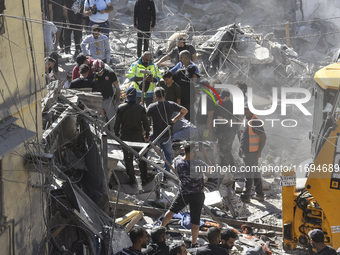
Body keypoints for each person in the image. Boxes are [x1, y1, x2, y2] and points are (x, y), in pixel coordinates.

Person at [162, 142, 211, 247]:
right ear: (194, 151)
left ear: (184, 150)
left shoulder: (178, 161)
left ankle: (160, 231)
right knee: (195, 221)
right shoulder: (199, 164)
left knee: (171, 211)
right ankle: (193, 243)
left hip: (184, 193)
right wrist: (205, 155)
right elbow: (210, 170)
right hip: (197, 195)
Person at [114, 87, 151, 186]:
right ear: (135, 96)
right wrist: (147, 134)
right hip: (138, 137)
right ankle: (144, 179)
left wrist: (117, 134)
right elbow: (146, 124)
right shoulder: (140, 108)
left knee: (128, 159)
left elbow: (116, 125)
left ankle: (132, 180)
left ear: (126, 95)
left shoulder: (121, 108)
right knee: (141, 158)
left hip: (125, 137)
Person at [147, 87, 188, 172]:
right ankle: (166, 173)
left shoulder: (152, 107)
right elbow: (185, 111)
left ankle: (145, 166)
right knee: (168, 155)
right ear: (165, 94)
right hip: (167, 135)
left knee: (145, 150)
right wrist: (175, 120)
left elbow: (145, 119)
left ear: (155, 96)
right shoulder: (171, 104)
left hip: (156, 136)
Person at [239, 105, 266, 203]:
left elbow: (263, 137)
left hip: (252, 152)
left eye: (247, 109)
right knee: (256, 173)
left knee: (248, 174)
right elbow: (242, 134)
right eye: (244, 109)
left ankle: (245, 196)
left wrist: (259, 152)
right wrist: (240, 148)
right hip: (247, 151)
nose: (245, 111)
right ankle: (259, 194)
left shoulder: (255, 121)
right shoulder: (245, 119)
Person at [92, 59, 120, 131]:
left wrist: (117, 100)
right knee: (100, 121)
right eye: (95, 68)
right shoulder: (93, 75)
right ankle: (104, 137)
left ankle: (114, 136)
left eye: (97, 68)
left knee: (112, 119)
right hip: (97, 100)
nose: (96, 70)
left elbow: (117, 87)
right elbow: (92, 90)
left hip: (108, 100)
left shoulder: (110, 74)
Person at [215, 90, 236, 167]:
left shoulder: (232, 106)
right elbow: (215, 114)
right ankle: (224, 166)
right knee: (220, 148)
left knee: (226, 149)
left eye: (223, 98)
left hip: (229, 131)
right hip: (219, 130)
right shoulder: (218, 103)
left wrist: (224, 119)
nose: (222, 99)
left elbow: (234, 120)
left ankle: (231, 165)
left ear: (227, 97)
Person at [43, 15, 60, 80]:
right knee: (47, 72)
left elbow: (57, 32)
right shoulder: (36, 26)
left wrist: (55, 45)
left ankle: (59, 85)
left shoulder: (49, 25)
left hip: (51, 51)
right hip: (43, 54)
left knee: (55, 72)